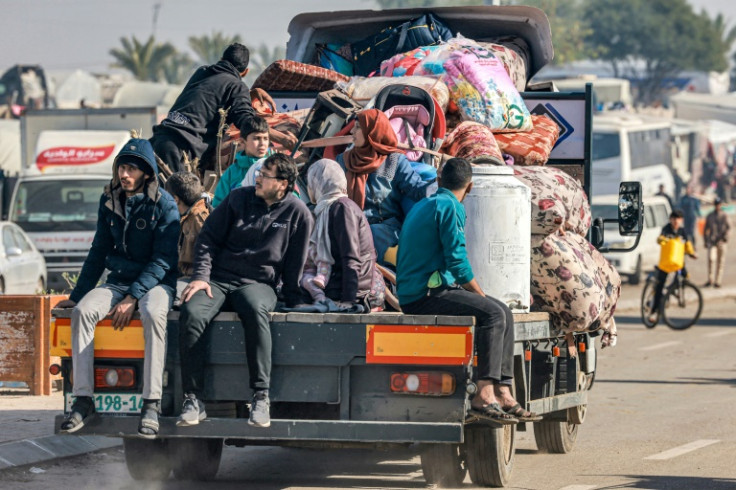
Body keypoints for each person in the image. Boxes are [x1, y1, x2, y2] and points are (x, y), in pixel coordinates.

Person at [396, 157, 539, 424]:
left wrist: (481, 298)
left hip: (422, 291)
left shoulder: (425, 204)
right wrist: (479, 295)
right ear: (470, 187)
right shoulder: (450, 206)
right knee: (494, 314)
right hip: (425, 295)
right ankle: (484, 394)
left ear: (439, 180)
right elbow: (458, 263)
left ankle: (504, 391)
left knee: (504, 312)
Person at [177, 153, 313, 428]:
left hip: (258, 284)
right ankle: (193, 398)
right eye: (260, 172)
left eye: (266, 175)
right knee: (191, 312)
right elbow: (207, 239)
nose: (259, 178)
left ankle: (261, 397)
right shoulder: (238, 198)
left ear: (283, 183)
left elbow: (295, 265)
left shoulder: (298, 213)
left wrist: (294, 299)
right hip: (218, 279)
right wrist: (201, 277)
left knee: (255, 310)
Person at [55, 139, 180, 438]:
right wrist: (76, 296)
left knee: (152, 313)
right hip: (119, 280)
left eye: (132, 169)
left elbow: (163, 260)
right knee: (83, 312)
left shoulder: (165, 204)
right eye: (122, 167)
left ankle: (151, 403)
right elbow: (98, 251)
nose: (125, 175)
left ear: (147, 174)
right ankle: (83, 401)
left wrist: (132, 297)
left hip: (157, 282)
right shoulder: (109, 200)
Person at [336, 109, 435, 266]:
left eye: (358, 127)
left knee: (368, 236)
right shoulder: (343, 160)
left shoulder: (394, 161)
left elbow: (417, 191)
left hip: (383, 229)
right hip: (351, 226)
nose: (353, 131)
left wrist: (442, 182)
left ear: (372, 132)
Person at [149, 43, 257, 173]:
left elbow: (212, 93)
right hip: (182, 151)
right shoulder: (237, 87)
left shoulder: (202, 72)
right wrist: (280, 137)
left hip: (158, 141)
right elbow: (246, 121)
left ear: (221, 60)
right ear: (245, 72)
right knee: (178, 193)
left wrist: (250, 93)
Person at [301, 159, 384, 309]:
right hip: (337, 283)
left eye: (310, 182)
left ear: (319, 183)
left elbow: (351, 258)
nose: (309, 188)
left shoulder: (342, 208)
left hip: (356, 291)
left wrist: (348, 301)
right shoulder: (326, 210)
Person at [164, 172, 211, 301]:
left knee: (168, 296)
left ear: (175, 199)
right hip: (184, 274)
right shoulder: (186, 215)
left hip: (197, 278)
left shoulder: (199, 217)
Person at [647, 209, 697, 324]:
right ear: (670, 219)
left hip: (678, 263)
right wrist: (663, 240)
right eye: (673, 219)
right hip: (665, 263)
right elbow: (660, 238)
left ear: (681, 220)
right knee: (660, 287)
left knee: (685, 275)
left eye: (678, 219)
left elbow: (687, 244)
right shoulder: (666, 229)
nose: (675, 221)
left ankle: (677, 290)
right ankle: (654, 311)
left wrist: (692, 253)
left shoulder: (682, 231)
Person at [212, 116, 271, 207]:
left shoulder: (278, 167)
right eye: (256, 138)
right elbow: (218, 206)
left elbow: (292, 200)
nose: (262, 143)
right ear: (242, 142)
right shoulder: (232, 173)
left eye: (265, 138)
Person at [703, 197, 730, 288]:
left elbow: (729, 227)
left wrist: (726, 237)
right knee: (711, 259)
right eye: (716, 204)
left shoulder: (724, 215)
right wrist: (706, 240)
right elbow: (705, 229)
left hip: (721, 241)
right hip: (712, 241)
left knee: (720, 262)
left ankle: (718, 281)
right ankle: (710, 279)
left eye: (719, 204)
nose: (717, 206)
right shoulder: (710, 216)